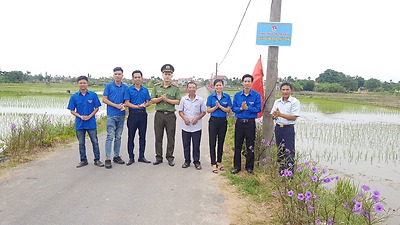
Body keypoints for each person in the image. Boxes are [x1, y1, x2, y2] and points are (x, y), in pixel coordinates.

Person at [67, 75, 104, 168]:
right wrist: (80, 116)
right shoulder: (74, 97)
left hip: (91, 123)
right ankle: (83, 160)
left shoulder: (93, 95)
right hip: (80, 123)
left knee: (95, 142)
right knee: (81, 143)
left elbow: (97, 108)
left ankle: (97, 159)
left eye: (84, 83)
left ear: (87, 84)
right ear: (77, 84)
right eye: (80, 83)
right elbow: (72, 110)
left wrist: (90, 116)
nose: (82, 85)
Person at [151, 64, 181, 166]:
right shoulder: (156, 87)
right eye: (165, 74)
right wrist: (161, 99)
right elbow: (152, 100)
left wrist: (167, 100)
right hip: (159, 115)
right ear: (162, 75)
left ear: (172, 75)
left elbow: (178, 101)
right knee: (158, 137)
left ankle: (170, 157)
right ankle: (158, 157)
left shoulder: (175, 88)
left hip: (170, 115)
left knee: (170, 137)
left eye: (169, 74)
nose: (167, 76)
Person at [231, 74, 261, 174]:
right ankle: (236, 166)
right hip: (239, 123)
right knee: (237, 145)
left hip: (250, 124)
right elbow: (233, 108)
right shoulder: (237, 95)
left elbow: (258, 109)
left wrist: (248, 108)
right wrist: (240, 108)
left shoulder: (256, 95)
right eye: (245, 81)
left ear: (252, 83)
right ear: (242, 83)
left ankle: (249, 167)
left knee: (250, 146)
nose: (247, 83)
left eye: (249, 81)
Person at [271, 82, 301, 172]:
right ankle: (281, 171)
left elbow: (293, 117)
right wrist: (275, 116)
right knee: (280, 149)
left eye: (287, 89)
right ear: (280, 91)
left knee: (289, 150)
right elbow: (273, 115)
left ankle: (290, 174)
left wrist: (280, 114)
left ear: (291, 91)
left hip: (288, 129)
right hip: (278, 128)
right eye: (283, 90)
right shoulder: (277, 102)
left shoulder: (295, 102)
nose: (285, 91)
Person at [102, 67, 128, 169]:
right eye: (116, 74)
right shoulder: (109, 86)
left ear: (122, 75)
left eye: (119, 74)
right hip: (111, 115)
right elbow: (104, 100)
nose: (117, 76)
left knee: (118, 136)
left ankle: (116, 156)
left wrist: (123, 106)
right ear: (113, 75)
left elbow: (126, 101)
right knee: (110, 136)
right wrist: (116, 105)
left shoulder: (125, 87)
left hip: (121, 115)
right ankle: (107, 158)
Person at [124, 70, 152, 165]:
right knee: (131, 137)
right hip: (133, 115)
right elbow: (127, 103)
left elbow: (148, 102)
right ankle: (131, 157)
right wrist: (137, 106)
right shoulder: (129, 90)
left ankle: (141, 156)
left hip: (143, 115)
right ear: (133, 78)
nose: (137, 79)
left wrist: (145, 104)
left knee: (142, 136)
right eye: (135, 77)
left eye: (139, 77)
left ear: (142, 78)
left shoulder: (145, 90)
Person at [178, 82, 206, 170]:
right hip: (185, 127)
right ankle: (187, 161)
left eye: (193, 87)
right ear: (187, 89)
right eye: (190, 87)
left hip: (196, 127)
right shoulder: (183, 99)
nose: (191, 89)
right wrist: (185, 118)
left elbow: (203, 112)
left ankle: (196, 162)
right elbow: (180, 111)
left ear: (196, 89)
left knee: (196, 145)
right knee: (186, 145)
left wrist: (197, 118)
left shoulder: (200, 100)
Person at [206, 79, 232, 173]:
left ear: (223, 86)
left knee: (221, 142)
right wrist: (215, 107)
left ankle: (219, 161)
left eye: (220, 85)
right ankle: (213, 163)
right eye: (216, 85)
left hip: (223, 122)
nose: (218, 87)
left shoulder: (227, 97)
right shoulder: (211, 97)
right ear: (214, 87)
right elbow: (208, 110)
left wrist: (220, 107)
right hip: (213, 121)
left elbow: (228, 110)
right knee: (212, 142)